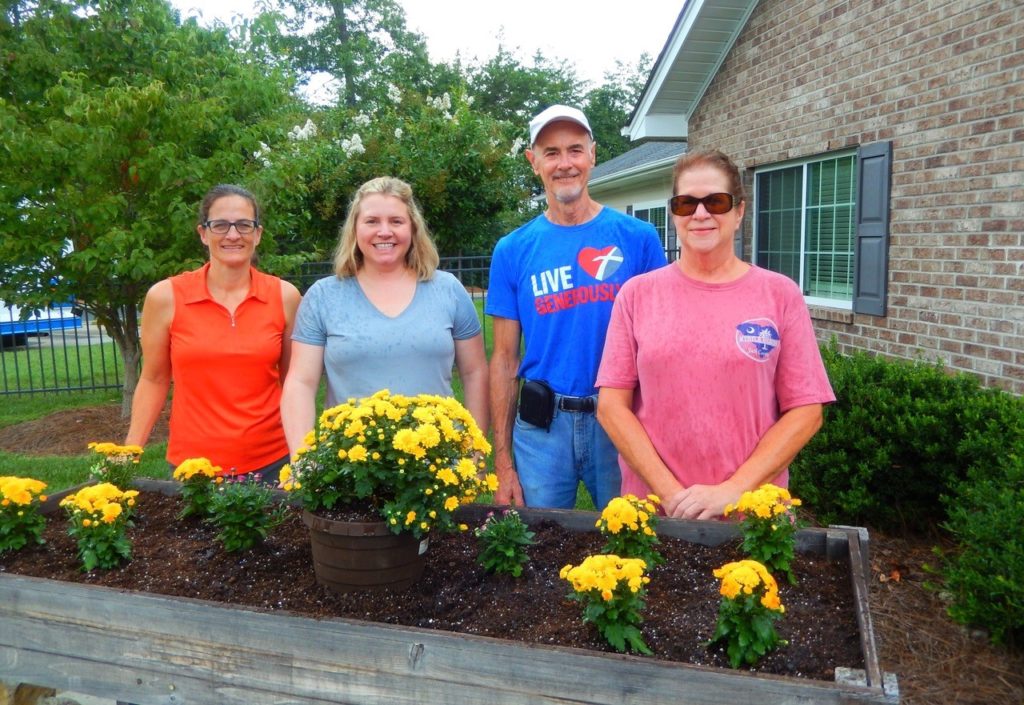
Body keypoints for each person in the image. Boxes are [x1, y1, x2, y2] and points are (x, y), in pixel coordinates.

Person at [595, 149, 836, 520]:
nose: (700, 214)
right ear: (674, 213)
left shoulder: (779, 295)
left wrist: (734, 490)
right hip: (655, 513)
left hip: (752, 518)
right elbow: (612, 407)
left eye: (716, 202)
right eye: (686, 203)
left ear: (739, 212)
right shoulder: (637, 296)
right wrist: (671, 495)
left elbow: (806, 411)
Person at [486, 105, 667, 510]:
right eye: (551, 153)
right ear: (533, 162)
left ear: (593, 155)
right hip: (542, 429)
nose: (564, 163)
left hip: (621, 419)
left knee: (632, 535)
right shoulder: (513, 249)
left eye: (575, 150)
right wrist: (503, 463)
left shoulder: (638, 238)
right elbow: (504, 358)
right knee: (540, 539)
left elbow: (662, 345)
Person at [281, 176, 488, 454]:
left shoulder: (448, 290)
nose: (384, 231)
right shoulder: (323, 297)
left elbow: (475, 373)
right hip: (349, 465)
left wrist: (475, 451)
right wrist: (302, 458)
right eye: (372, 221)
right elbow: (301, 383)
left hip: (438, 465)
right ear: (354, 229)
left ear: (413, 228)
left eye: (396, 221)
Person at [125, 184, 302, 485]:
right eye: (220, 225)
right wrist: (129, 452)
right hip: (193, 468)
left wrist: (302, 453)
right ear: (203, 233)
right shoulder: (166, 297)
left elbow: (294, 383)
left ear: (257, 234)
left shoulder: (285, 297)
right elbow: (153, 379)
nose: (233, 235)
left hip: (272, 463)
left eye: (244, 225)